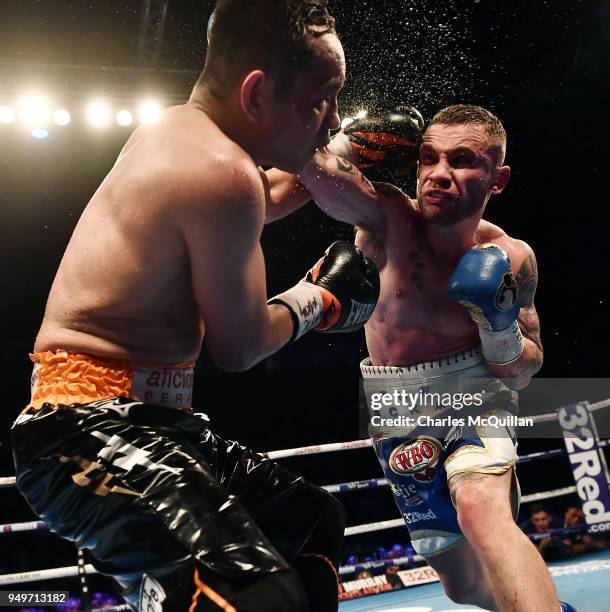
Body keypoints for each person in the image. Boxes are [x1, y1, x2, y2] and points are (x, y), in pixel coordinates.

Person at [10, 2, 381, 610]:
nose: (332, 117)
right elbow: (239, 347)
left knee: (312, 521)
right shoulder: (220, 171)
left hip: (145, 423)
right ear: (256, 93)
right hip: (82, 431)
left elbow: (257, 197)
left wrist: (346, 156)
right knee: (257, 595)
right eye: (322, 98)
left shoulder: (176, 132)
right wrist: (321, 299)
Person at [270, 104, 575, 610]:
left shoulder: (512, 257)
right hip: (395, 403)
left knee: (482, 510)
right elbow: (311, 168)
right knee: (462, 584)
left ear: (497, 179)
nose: (439, 174)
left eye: (461, 160)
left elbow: (524, 369)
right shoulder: (387, 219)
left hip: (474, 389)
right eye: (429, 158)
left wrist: (498, 332)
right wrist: (340, 139)